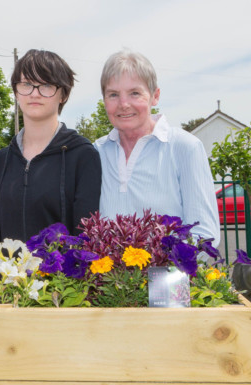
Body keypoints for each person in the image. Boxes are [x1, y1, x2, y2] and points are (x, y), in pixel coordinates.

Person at [0, 49, 102, 383]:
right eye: (26, 84)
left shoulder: (84, 155)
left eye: (46, 86)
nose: (34, 94)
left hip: (61, 304)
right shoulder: (2, 160)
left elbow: (85, 239)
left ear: (63, 94)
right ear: (15, 91)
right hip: (5, 304)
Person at [94, 49, 219, 245]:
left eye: (135, 93)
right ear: (104, 101)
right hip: (106, 276)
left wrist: (156, 272)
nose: (124, 104)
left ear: (155, 96)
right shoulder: (97, 151)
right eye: (113, 95)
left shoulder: (184, 148)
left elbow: (204, 234)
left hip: (168, 274)